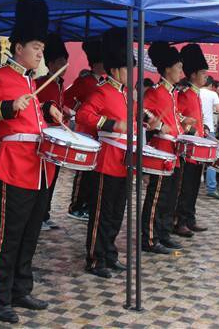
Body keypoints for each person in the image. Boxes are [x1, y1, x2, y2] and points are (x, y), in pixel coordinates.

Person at [0, 0, 63, 324]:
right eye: (36, 46)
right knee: (9, 235)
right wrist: (6, 107)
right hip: (16, 168)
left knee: (31, 233)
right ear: (17, 46)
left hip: (40, 169)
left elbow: (32, 124)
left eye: (42, 47)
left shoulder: (31, 81)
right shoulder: (0, 77)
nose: (40, 52)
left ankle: (22, 287)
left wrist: (49, 114)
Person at [76, 27, 133, 278]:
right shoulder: (102, 90)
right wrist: (111, 124)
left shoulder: (126, 94)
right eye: (126, 69)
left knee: (116, 212)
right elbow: (84, 115)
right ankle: (95, 258)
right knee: (102, 212)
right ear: (113, 69)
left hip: (124, 161)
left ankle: (110, 254)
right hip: (106, 161)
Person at [140, 42, 193, 254]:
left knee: (170, 197)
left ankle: (163, 233)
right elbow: (143, 113)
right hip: (161, 149)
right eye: (178, 67)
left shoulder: (172, 93)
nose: (181, 71)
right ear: (167, 70)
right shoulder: (155, 91)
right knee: (157, 196)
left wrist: (183, 123)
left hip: (174, 150)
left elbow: (173, 116)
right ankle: (149, 238)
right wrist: (161, 126)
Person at [64, 38, 104, 222]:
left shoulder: (102, 83)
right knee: (82, 173)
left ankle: (87, 205)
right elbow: (66, 99)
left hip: (97, 133)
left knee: (92, 173)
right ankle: (76, 206)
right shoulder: (84, 81)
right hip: (84, 131)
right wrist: (73, 112)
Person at [173, 44, 210, 235]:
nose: (206, 76)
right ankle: (179, 221)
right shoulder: (184, 92)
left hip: (198, 149)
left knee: (194, 187)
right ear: (193, 74)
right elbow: (176, 115)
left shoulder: (195, 93)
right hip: (188, 149)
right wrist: (191, 128)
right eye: (203, 72)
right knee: (185, 188)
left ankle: (190, 217)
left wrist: (203, 129)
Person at [34, 33, 68, 231]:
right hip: (46, 137)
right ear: (52, 63)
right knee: (43, 179)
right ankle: (39, 216)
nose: (66, 65)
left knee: (51, 178)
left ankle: (44, 214)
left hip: (58, 138)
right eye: (62, 61)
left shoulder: (60, 84)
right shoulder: (41, 83)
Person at [200, 76, 219, 199]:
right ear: (211, 85)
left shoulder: (195, 92)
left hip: (195, 129)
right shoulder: (212, 94)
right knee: (211, 160)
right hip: (209, 129)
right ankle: (211, 188)